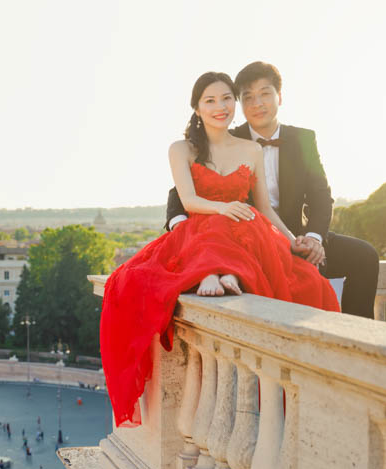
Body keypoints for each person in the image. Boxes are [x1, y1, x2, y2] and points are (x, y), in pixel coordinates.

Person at [101, 70, 339, 426]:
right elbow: (188, 200)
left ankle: (226, 273)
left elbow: (265, 208)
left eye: (227, 98)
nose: (221, 106)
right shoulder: (182, 149)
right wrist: (224, 207)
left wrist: (294, 242)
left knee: (309, 282)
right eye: (210, 100)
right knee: (210, 228)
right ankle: (213, 272)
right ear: (197, 107)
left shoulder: (251, 149)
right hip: (202, 225)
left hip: (246, 228)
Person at [166, 61, 379, 318]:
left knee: (364, 257)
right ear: (240, 104)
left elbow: (321, 196)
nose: (257, 104)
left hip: (294, 235)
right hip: (242, 238)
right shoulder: (221, 136)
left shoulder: (303, 140)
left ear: (280, 96)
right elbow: (181, 193)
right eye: (248, 97)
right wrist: (183, 231)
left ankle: (359, 340)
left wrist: (312, 239)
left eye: (265, 94)